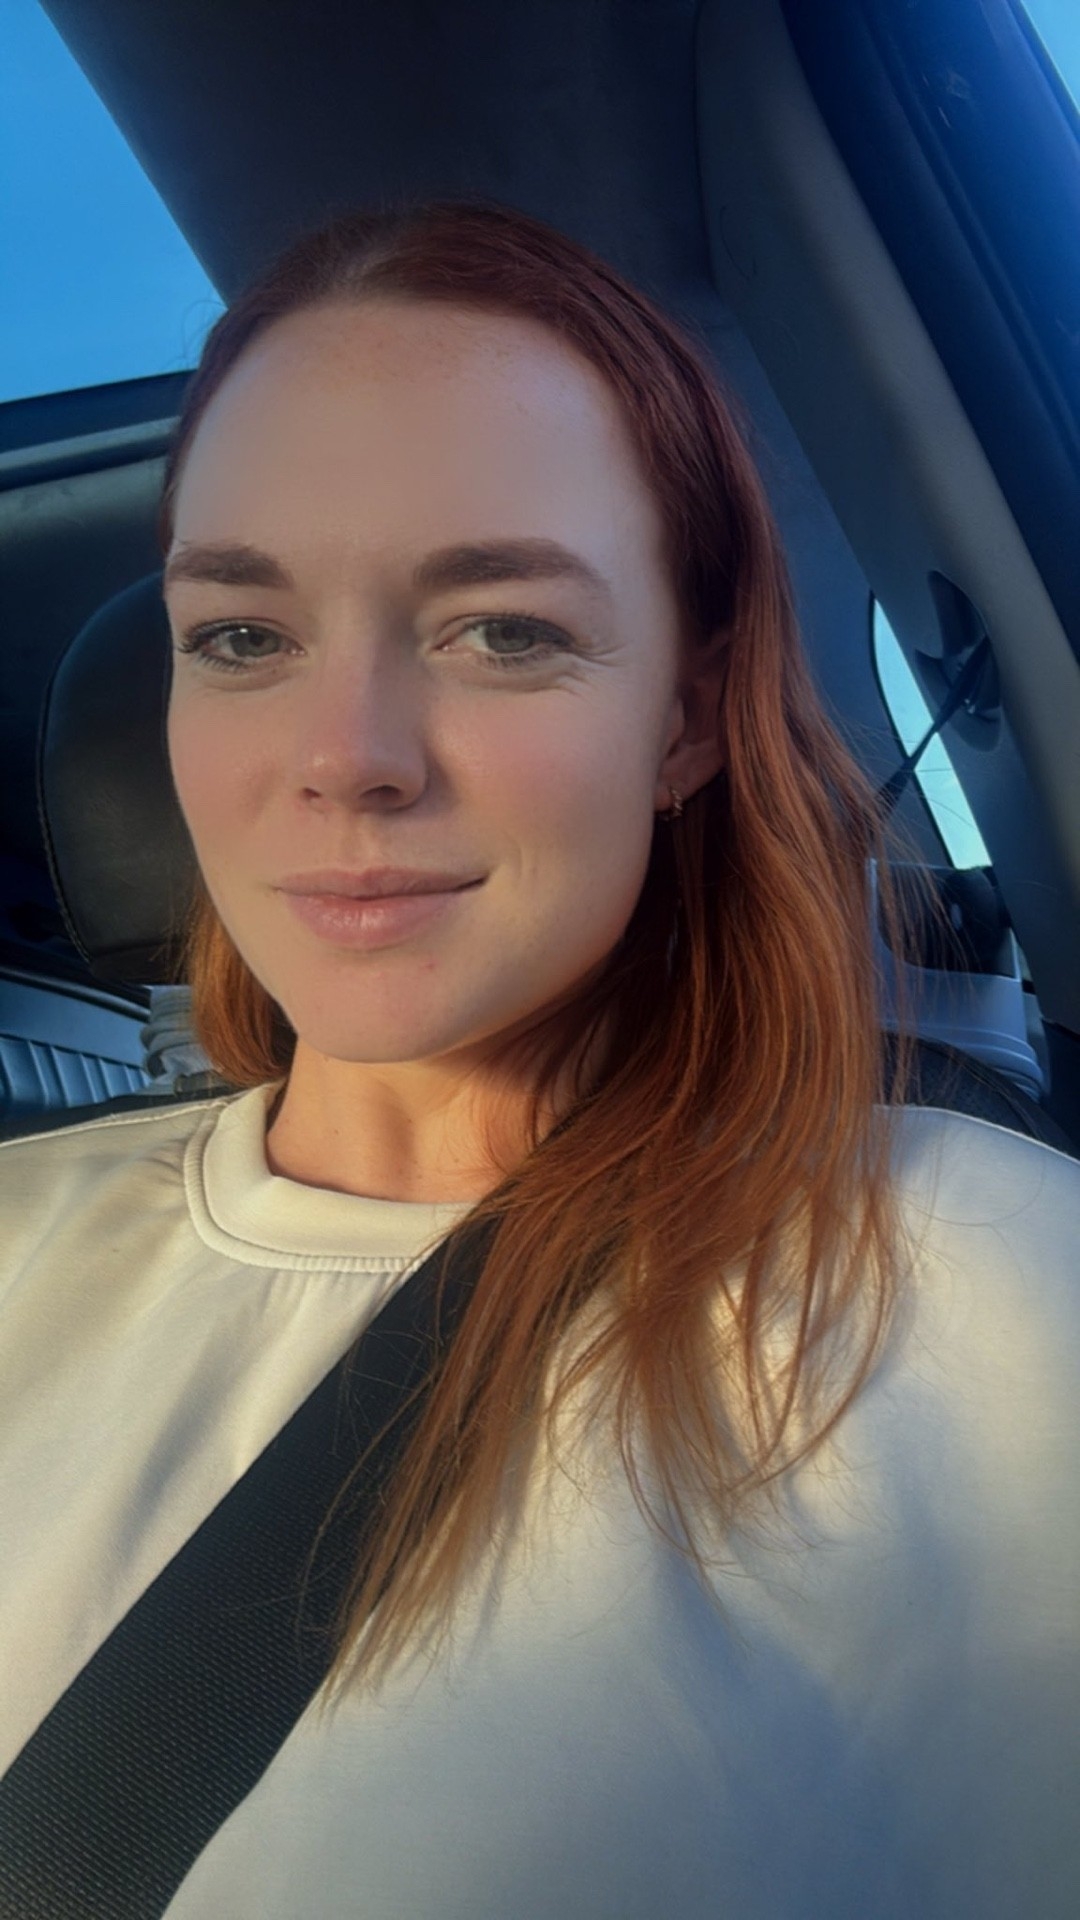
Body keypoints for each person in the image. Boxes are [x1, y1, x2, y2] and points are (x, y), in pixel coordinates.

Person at [1, 200, 1077, 1919]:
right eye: (243, 637)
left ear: (687, 720)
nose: (346, 756)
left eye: (503, 630)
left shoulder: (994, 1289)